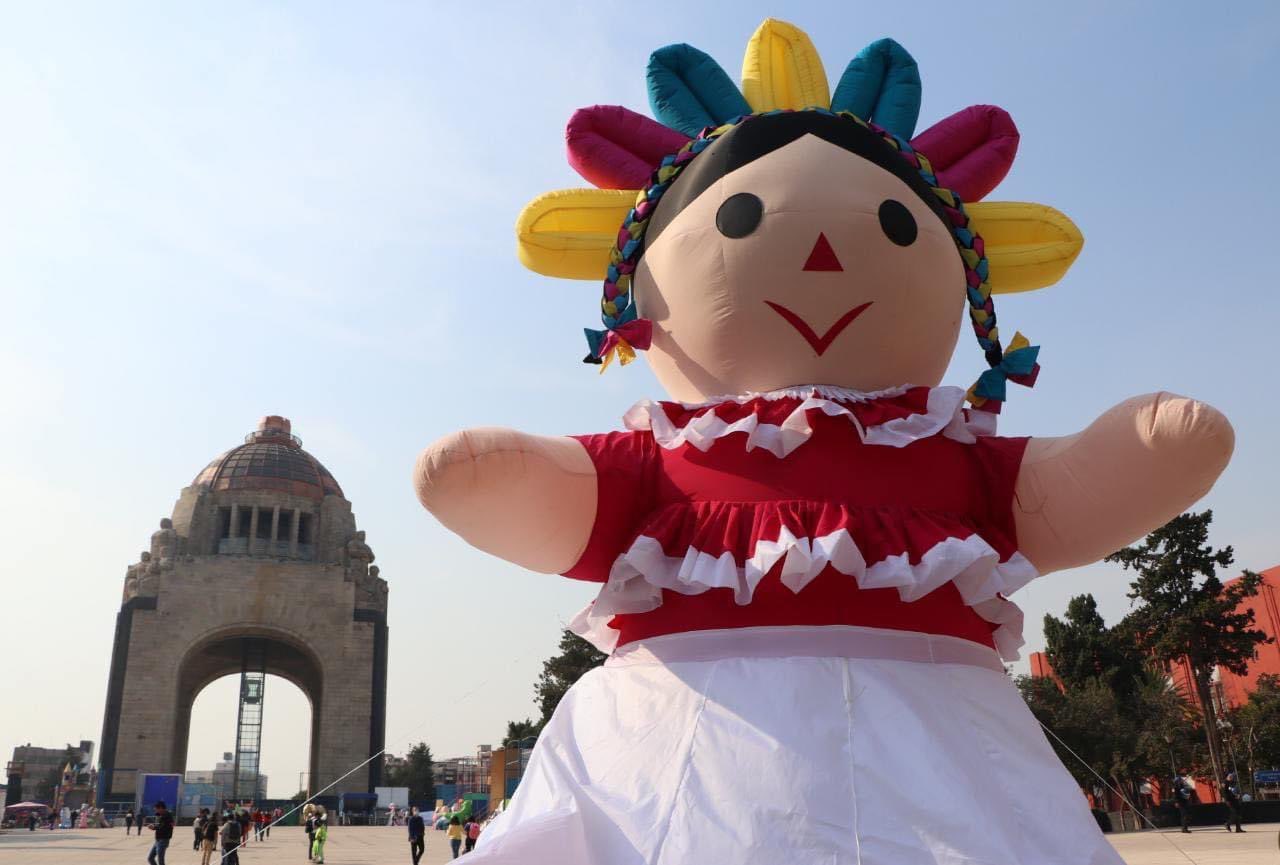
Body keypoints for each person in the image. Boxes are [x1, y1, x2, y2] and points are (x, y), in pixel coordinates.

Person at [145, 799, 173, 865]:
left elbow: (163, 827)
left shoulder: (167, 816)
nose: (155, 810)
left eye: (156, 809)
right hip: (158, 840)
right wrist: (155, 825)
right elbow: (160, 825)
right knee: (150, 858)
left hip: (163, 840)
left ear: (160, 808)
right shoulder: (162, 815)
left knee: (160, 860)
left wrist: (153, 827)